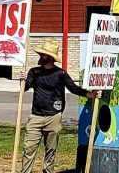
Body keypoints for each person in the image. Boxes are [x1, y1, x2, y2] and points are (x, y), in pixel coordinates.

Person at [21, 40, 101, 173]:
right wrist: (23, 80)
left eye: (44, 55)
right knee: (29, 148)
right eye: (41, 54)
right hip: (35, 117)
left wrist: (90, 94)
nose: (41, 57)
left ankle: (48, 171)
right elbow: (25, 87)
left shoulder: (60, 74)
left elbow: (74, 88)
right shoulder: (34, 72)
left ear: (51, 58)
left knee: (50, 150)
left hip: (54, 117)